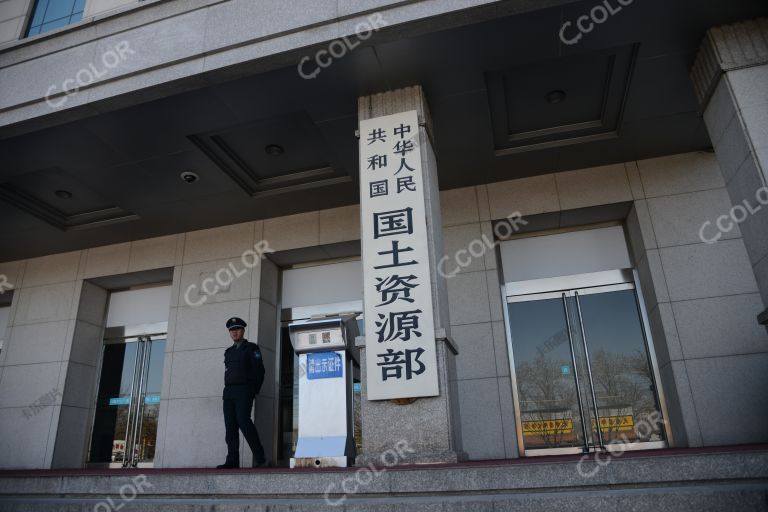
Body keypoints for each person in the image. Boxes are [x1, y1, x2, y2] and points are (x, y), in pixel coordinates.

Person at [217, 317, 267, 468]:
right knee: (230, 427)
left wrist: (253, 391)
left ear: (243, 330)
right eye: (232, 330)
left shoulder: (252, 348)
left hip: (244, 390)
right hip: (229, 392)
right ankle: (232, 461)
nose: (234, 332)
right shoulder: (228, 352)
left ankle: (260, 458)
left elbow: (260, 371)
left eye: (237, 329)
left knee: (244, 423)